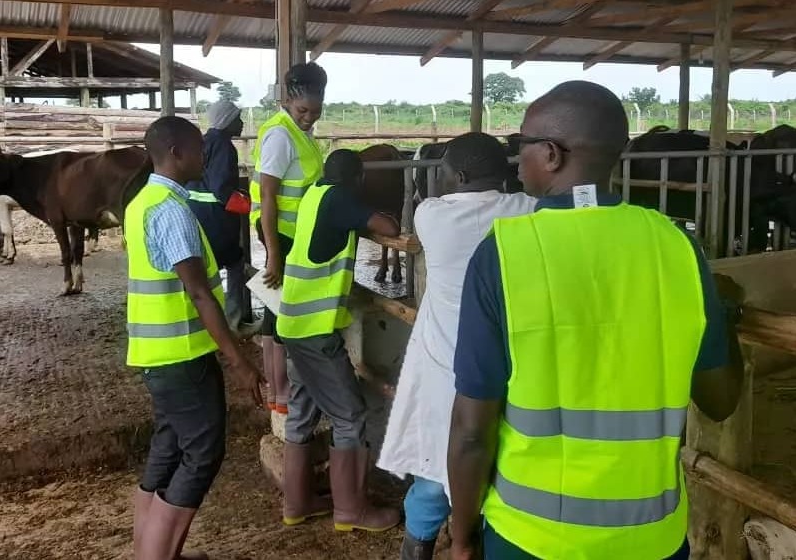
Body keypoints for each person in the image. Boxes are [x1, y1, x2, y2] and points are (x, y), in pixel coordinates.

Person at [447, 81, 745, 560]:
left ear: (550, 154)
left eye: (521, 146)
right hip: (652, 537)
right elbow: (720, 400)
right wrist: (725, 312)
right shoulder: (677, 248)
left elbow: (469, 428)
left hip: (530, 535)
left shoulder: (503, 254)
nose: (516, 159)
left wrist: (462, 537)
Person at [376, 132, 535, 560]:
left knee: (436, 468)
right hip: (509, 364)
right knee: (496, 461)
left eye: (444, 170)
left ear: (458, 175)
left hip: (446, 368)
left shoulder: (431, 216)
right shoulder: (527, 212)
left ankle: (421, 546)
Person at [128, 116, 264, 560]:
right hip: (182, 354)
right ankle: (158, 555)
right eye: (197, 148)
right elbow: (200, 292)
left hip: (157, 351)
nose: (204, 156)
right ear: (175, 152)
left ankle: (150, 548)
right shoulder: (170, 211)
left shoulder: (142, 201)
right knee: (203, 451)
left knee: (169, 446)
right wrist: (239, 361)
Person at [276, 149, 402, 533]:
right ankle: (351, 511)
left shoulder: (314, 193)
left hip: (294, 322)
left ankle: (297, 503)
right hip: (315, 330)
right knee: (351, 416)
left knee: (301, 412)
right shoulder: (341, 199)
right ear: (357, 179)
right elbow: (389, 226)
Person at [249, 61, 327, 414]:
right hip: (280, 233)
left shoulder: (300, 132)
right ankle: (281, 394)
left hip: (295, 233)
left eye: (315, 111)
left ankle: (278, 393)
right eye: (302, 110)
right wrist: (274, 254)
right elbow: (268, 197)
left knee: (277, 309)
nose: (309, 117)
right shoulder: (280, 134)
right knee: (281, 310)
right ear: (287, 101)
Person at [186, 100, 253, 335]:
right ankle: (233, 322)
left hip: (196, 213)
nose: (241, 123)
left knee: (204, 268)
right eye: (237, 118)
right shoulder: (224, 146)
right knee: (235, 263)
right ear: (227, 121)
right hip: (216, 217)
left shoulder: (201, 142)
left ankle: (203, 322)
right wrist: (244, 200)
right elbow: (221, 188)